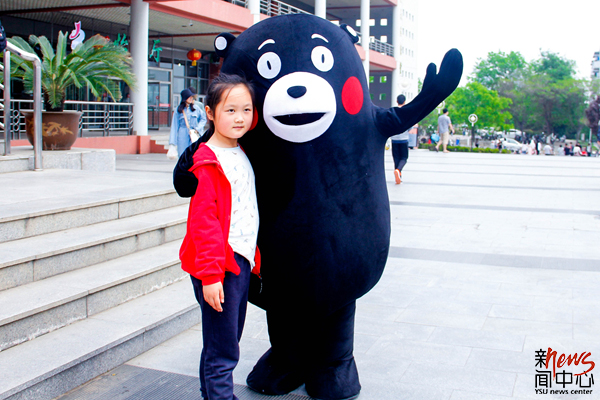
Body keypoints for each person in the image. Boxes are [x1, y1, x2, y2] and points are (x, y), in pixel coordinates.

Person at [178, 74, 259, 400]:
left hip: (237, 262)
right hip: (219, 265)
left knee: (221, 341)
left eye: (246, 109)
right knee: (224, 350)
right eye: (230, 110)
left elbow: (243, 209)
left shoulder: (237, 151)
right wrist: (211, 276)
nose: (239, 118)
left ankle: (210, 393)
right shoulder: (209, 161)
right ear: (210, 112)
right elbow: (204, 222)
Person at [169, 88, 207, 157]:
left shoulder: (196, 108)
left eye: (191, 97)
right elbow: (174, 127)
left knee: (194, 154)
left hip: (194, 134)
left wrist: (198, 128)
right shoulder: (178, 110)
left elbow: (203, 119)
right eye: (189, 97)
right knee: (182, 155)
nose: (191, 98)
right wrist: (172, 143)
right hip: (182, 135)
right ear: (184, 98)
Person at [390, 94, 411, 184]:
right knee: (404, 157)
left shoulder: (392, 111)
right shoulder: (406, 111)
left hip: (394, 138)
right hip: (404, 138)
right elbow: (409, 125)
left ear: (396, 101)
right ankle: (398, 170)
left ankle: (398, 175)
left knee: (396, 158)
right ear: (405, 101)